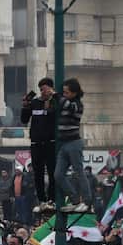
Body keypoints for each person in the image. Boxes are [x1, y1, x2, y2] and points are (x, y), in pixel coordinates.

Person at [54, 77, 91, 213]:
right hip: (63, 144)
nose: (64, 95)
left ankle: (87, 201)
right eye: (63, 92)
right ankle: (75, 199)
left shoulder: (77, 105)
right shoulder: (63, 103)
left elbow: (66, 105)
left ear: (74, 93)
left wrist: (56, 95)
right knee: (58, 174)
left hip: (74, 143)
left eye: (67, 92)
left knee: (79, 172)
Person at [21, 78, 58, 212]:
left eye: (45, 89)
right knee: (38, 173)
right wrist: (25, 105)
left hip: (51, 143)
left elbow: (56, 118)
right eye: (41, 89)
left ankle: (52, 199)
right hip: (36, 143)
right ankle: (42, 200)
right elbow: (24, 119)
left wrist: (49, 107)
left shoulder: (56, 102)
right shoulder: (35, 102)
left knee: (53, 172)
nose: (42, 92)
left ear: (51, 89)